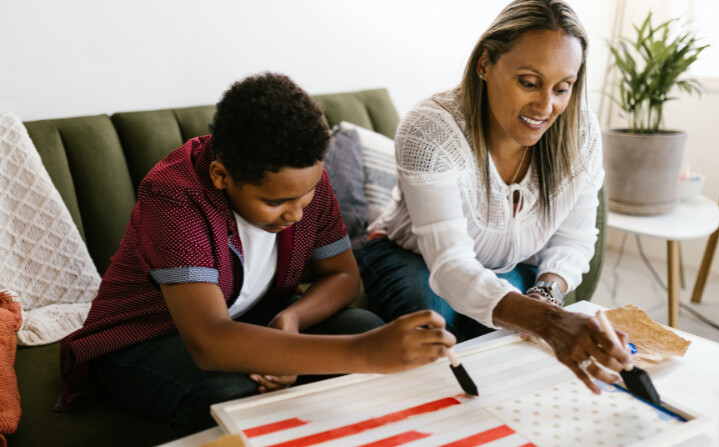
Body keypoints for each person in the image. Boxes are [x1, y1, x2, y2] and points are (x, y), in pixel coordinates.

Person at [57, 73, 455, 437]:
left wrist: (290, 320)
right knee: (232, 387)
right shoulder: (173, 197)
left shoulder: (303, 179)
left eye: (307, 194)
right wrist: (362, 353)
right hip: (146, 337)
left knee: (362, 322)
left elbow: (342, 276)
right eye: (276, 201)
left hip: (252, 315)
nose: (297, 212)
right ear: (220, 176)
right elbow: (210, 341)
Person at [356, 0, 631, 394]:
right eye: (529, 82)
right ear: (485, 64)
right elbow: (450, 265)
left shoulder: (580, 131)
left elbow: (574, 240)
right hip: (411, 255)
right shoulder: (430, 129)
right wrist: (545, 320)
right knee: (435, 318)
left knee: (509, 336)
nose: (545, 106)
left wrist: (546, 293)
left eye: (562, 88)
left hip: (506, 265)